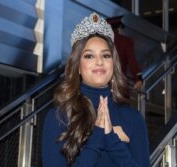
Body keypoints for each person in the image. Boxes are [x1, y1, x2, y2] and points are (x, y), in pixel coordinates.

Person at [41, 12, 150, 167]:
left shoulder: (133, 118)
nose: (99, 61)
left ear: (113, 63)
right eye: (89, 56)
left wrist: (112, 140)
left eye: (106, 56)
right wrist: (98, 136)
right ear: (77, 66)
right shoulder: (58, 117)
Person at [107, 16, 143, 90]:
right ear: (119, 27)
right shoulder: (125, 41)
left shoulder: (98, 42)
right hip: (119, 86)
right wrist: (138, 79)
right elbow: (132, 62)